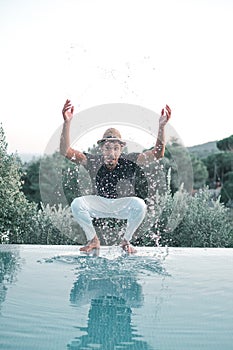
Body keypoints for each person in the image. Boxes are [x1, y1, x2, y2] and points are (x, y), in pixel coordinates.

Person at [60, 99, 171, 254]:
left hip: (123, 204)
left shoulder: (131, 160)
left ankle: (126, 241)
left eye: (116, 148)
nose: (111, 153)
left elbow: (158, 154)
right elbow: (66, 152)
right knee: (77, 204)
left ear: (121, 149)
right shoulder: (93, 161)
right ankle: (93, 240)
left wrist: (162, 126)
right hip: (100, 203)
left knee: (140, 205)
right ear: (101, 148)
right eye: (107, 148)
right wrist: (67, 123)